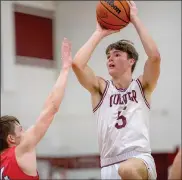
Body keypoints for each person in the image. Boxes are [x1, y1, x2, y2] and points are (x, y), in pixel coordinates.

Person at [72, 1, 160, 179]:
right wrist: (99, 33)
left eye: (117, 54)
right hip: (108, 165)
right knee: (122, 170)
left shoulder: (142, 85)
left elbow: (155, 57)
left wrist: (134, 19)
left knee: (127, 170)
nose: (110, 58)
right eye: (108, 56)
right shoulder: (100, 89)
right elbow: (77, 64)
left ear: (131, 61)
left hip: (138, 159)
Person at [0, 38, 72, 180]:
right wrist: (65, 68)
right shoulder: (21, 150)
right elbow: (51, 108)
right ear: (11, 139)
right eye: (21, 130)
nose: (25, 131)